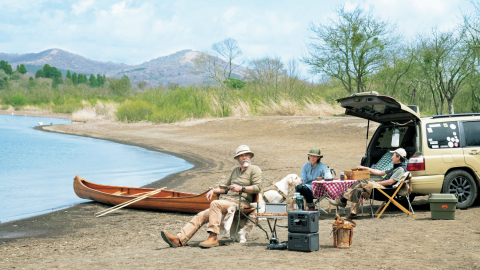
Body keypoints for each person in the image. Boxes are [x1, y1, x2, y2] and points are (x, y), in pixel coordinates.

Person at [161, 145, 261, 248]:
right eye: (242, 156)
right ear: (237, 158)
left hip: (242, 203)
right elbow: (226, 189)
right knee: (201, 215)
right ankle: (178, 239)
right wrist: (213, 190)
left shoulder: (254, 169)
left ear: (250, 156)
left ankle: (213, 237)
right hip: (228, 201)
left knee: (215, 203)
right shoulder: (235, 171)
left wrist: (241, 188)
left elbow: (257, 188)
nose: (245, 157)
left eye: (247, 155)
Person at [328, 148, 408, 219]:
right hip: (380, 189)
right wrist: (366, 168)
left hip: (384, 191)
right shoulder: (395, 168)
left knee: (360, 181)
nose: (391, 157)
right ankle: (352, 214)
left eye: (393, 155)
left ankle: (343, 200)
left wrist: (376, 183)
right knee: (358, 190)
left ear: (398, 157)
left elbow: (390, 182)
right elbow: (380, 172)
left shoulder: (400, 169)